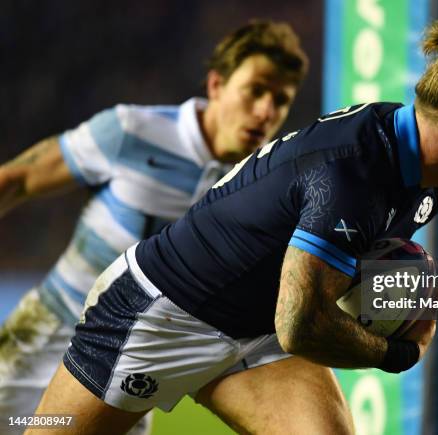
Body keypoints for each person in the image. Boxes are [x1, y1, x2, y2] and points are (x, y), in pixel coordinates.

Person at [30, 20, 438, 435]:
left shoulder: (430, 170)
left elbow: (343, 273)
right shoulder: (354, 170)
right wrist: (394, 351)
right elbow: (302, 324)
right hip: (162, 313)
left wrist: (404, 294)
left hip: (259, 328)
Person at [0, 20, 308, 435]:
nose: (265, 111)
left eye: (281, 100)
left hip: (129, 357)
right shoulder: (133, 132)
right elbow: (19, 178)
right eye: (255, 90)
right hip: (47, 335)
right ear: (216, 85)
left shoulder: (262, 181)